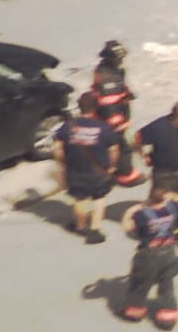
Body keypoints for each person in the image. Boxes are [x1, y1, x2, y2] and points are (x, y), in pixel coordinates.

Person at [53, 91, 119, 244]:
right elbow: (114, 149)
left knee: (79, 198)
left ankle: (81, 226)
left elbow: (57, 148)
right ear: (95, 108)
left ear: (79, 107)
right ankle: (95, 230)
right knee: (99, 198)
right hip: (98, 171)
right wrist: (112, 166)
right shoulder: (103, 127)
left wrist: (62, 163)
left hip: (75, 170)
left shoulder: (67, 126)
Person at [119, 187, 178, 330]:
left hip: (149, 253)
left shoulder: (142, 215)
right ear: (164, 198)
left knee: (141, 282)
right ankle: (168, 315)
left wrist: (128, 213)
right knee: (166, 283)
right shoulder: (172, 208)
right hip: (169, 252)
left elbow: (127, 228)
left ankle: (135, 310)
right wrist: (173, 193)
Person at [134, 101, 178, 241]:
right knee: (158, 202)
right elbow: (137, 137)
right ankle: (152, 228)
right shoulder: (159, 126)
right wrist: (143, 155)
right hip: (163, 174)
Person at [91, 40, 146, 187]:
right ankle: (125, 175)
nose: (122, 61)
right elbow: (108, 102)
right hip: (113, 121)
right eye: (119, 58)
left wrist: (126, 93)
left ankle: (109, 170)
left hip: (116, 116)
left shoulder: (111, 71)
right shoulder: (107, 77)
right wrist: (117, 122)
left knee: (114, 146)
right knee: (122, 148)